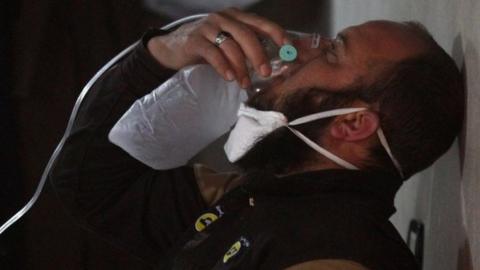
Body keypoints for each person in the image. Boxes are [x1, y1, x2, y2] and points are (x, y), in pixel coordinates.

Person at [50, 8, 464, 270]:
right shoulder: (251, 196)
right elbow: (89, 185)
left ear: (353, 125)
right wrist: (161, 53)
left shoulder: (339, 255)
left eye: (333, 52)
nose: (297, 50)